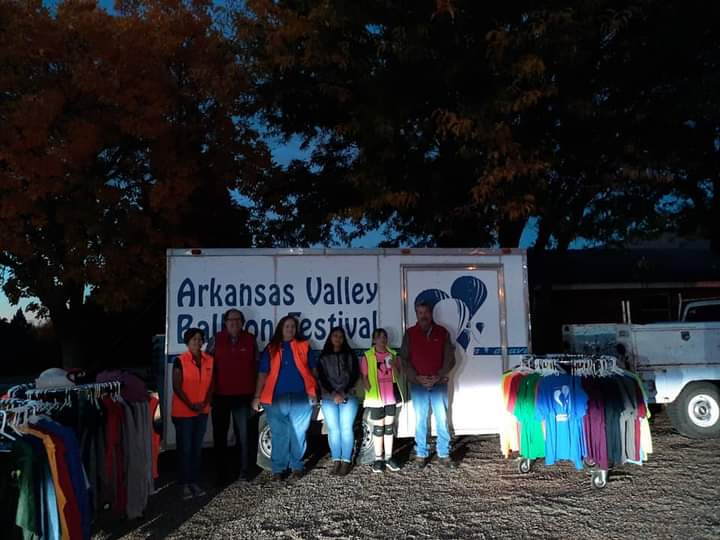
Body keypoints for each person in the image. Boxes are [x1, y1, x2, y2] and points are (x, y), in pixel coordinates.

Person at [251, 316, 318, 480]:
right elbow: (262, 373)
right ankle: (278, 469)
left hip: (301, 398)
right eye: (287, 326)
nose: (290, 329)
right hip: (275, 399)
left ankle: (296, 466)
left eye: (293, 326)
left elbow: (313, 370)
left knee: (299, 433)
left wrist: (315, 391)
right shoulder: (271, 348)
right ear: (281, 328)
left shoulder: (304, 346)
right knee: (279, 433)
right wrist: (257, 396)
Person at [399, 301, 456, 468]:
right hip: (418, 385)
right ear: (416, 315)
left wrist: (439, 376)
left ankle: (444, 454)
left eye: (425, 312)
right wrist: (417, 378)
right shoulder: (410, 334)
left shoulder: (442, 332)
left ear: (431, 314)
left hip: (438, 384)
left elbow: (450, 358)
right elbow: (404, 359)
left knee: (442, 419)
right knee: (420, 420)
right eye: (419, 312)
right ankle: (421, 454)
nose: (423, 315)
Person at [207, 308, 258, 484]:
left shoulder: (250, 340)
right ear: (225, 322)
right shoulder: (216, 339)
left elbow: (257, 367)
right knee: (220, 438)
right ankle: (222, 476)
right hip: (220, 396)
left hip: (244, 396)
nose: (234, 322)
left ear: (242, 323)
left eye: (237, 320)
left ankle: (243, 473)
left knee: (243, 438)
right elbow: (207, 367)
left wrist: (256, 395)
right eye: (230, 320)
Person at [172, 328, 214, 499]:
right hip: (183, 413)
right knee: (185, 449)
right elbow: (176, 385)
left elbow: (212, 385)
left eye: (199, 339)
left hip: (202, 411)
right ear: (187, 342)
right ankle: (184, 484)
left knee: (196, 449)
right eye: (193, 339)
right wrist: (190, 404)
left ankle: (194, 482)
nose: (197, 342)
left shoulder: (209, 360)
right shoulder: (180, 361)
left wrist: (204, 403)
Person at [317, 326, 360, 476]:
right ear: (330, 337)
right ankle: (336, 460)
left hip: (348, 395)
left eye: (341, 336)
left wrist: (343, 392)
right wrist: (333, 393)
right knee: (334, 429)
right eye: (335, 335)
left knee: (346, 428)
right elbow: (321, 378)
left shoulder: (350, 355)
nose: (338, 338)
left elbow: (355, 375)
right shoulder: (323, 357)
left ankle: (346, 461)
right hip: (329, 397)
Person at [361, 328, 403, 473]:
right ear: (373, 340)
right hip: (376, 398)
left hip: (390, 396)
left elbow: (398, 375)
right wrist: (370, 392)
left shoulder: (393, 354)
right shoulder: (367, 356)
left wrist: (392, 366)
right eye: (379, 337)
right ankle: (378, 458)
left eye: (384, 337)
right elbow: (364, 377)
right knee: (378, 428)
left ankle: (389, 457)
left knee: (389, 427)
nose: (382, 340)